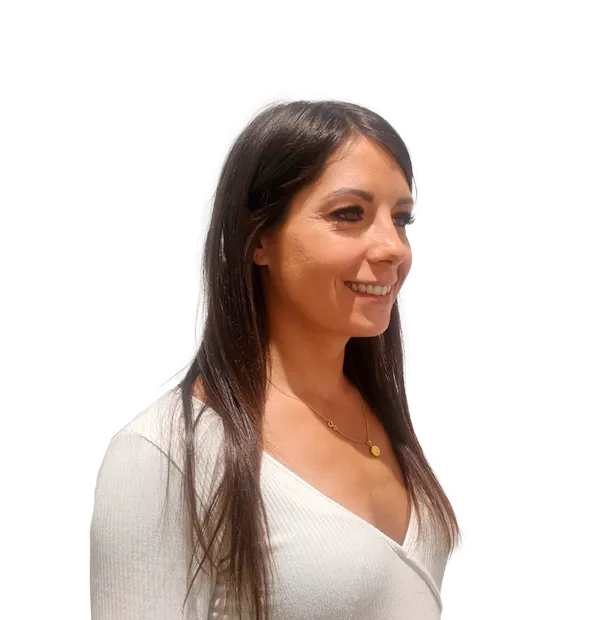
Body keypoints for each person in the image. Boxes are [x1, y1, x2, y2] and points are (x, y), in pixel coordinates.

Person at [89, 96, 464, 619]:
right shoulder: (168, 452)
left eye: (401, 219)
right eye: (349, 214)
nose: (394, 247)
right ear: (258, 239)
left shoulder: (380, 415)